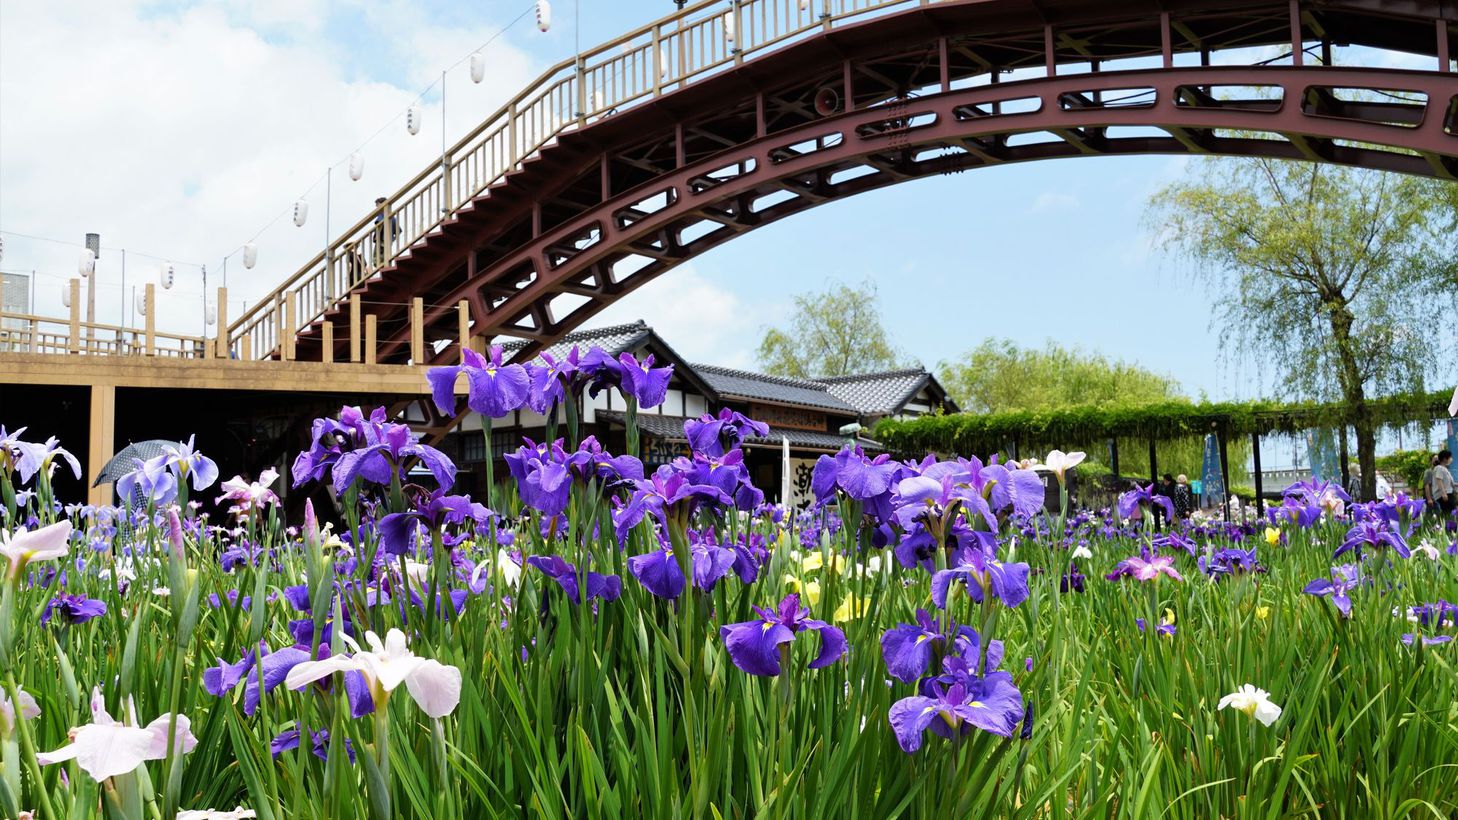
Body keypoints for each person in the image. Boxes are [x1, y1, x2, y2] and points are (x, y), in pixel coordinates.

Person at [371, 196, 400, 268]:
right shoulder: (392, 216)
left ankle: (384, 270)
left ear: (382, 204)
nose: (377, 208)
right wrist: (392, 239)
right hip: (388, 241)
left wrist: (376, 237)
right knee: (385, 257)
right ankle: (386, 268)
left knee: (376, 260)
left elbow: (379, 224)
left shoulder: (381, 214)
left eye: (377, 205)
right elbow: (398, 231)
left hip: (381, 240)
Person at [1430, 450, 1454, 515]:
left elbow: (1450, 483)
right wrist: (1443, 494)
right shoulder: (1439, 468)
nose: (1451, 459)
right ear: (1444, 458)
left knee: (1450, 512)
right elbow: (1439, 480)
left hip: (1448, 493)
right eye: (1450, 457)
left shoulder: (1445, 469)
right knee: (1448, 513)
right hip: (1444, 494)